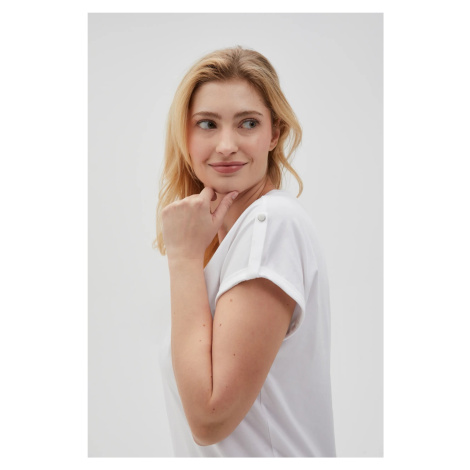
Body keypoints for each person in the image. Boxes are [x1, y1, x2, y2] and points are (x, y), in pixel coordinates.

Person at [155, 46, 336, 457]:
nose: (226, 145)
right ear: (185, 135)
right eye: (207, 124)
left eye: (248, 123)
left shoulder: (270, 224)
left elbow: (209, 419)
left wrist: (183, 259)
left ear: (274, 134)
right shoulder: (241, 237)